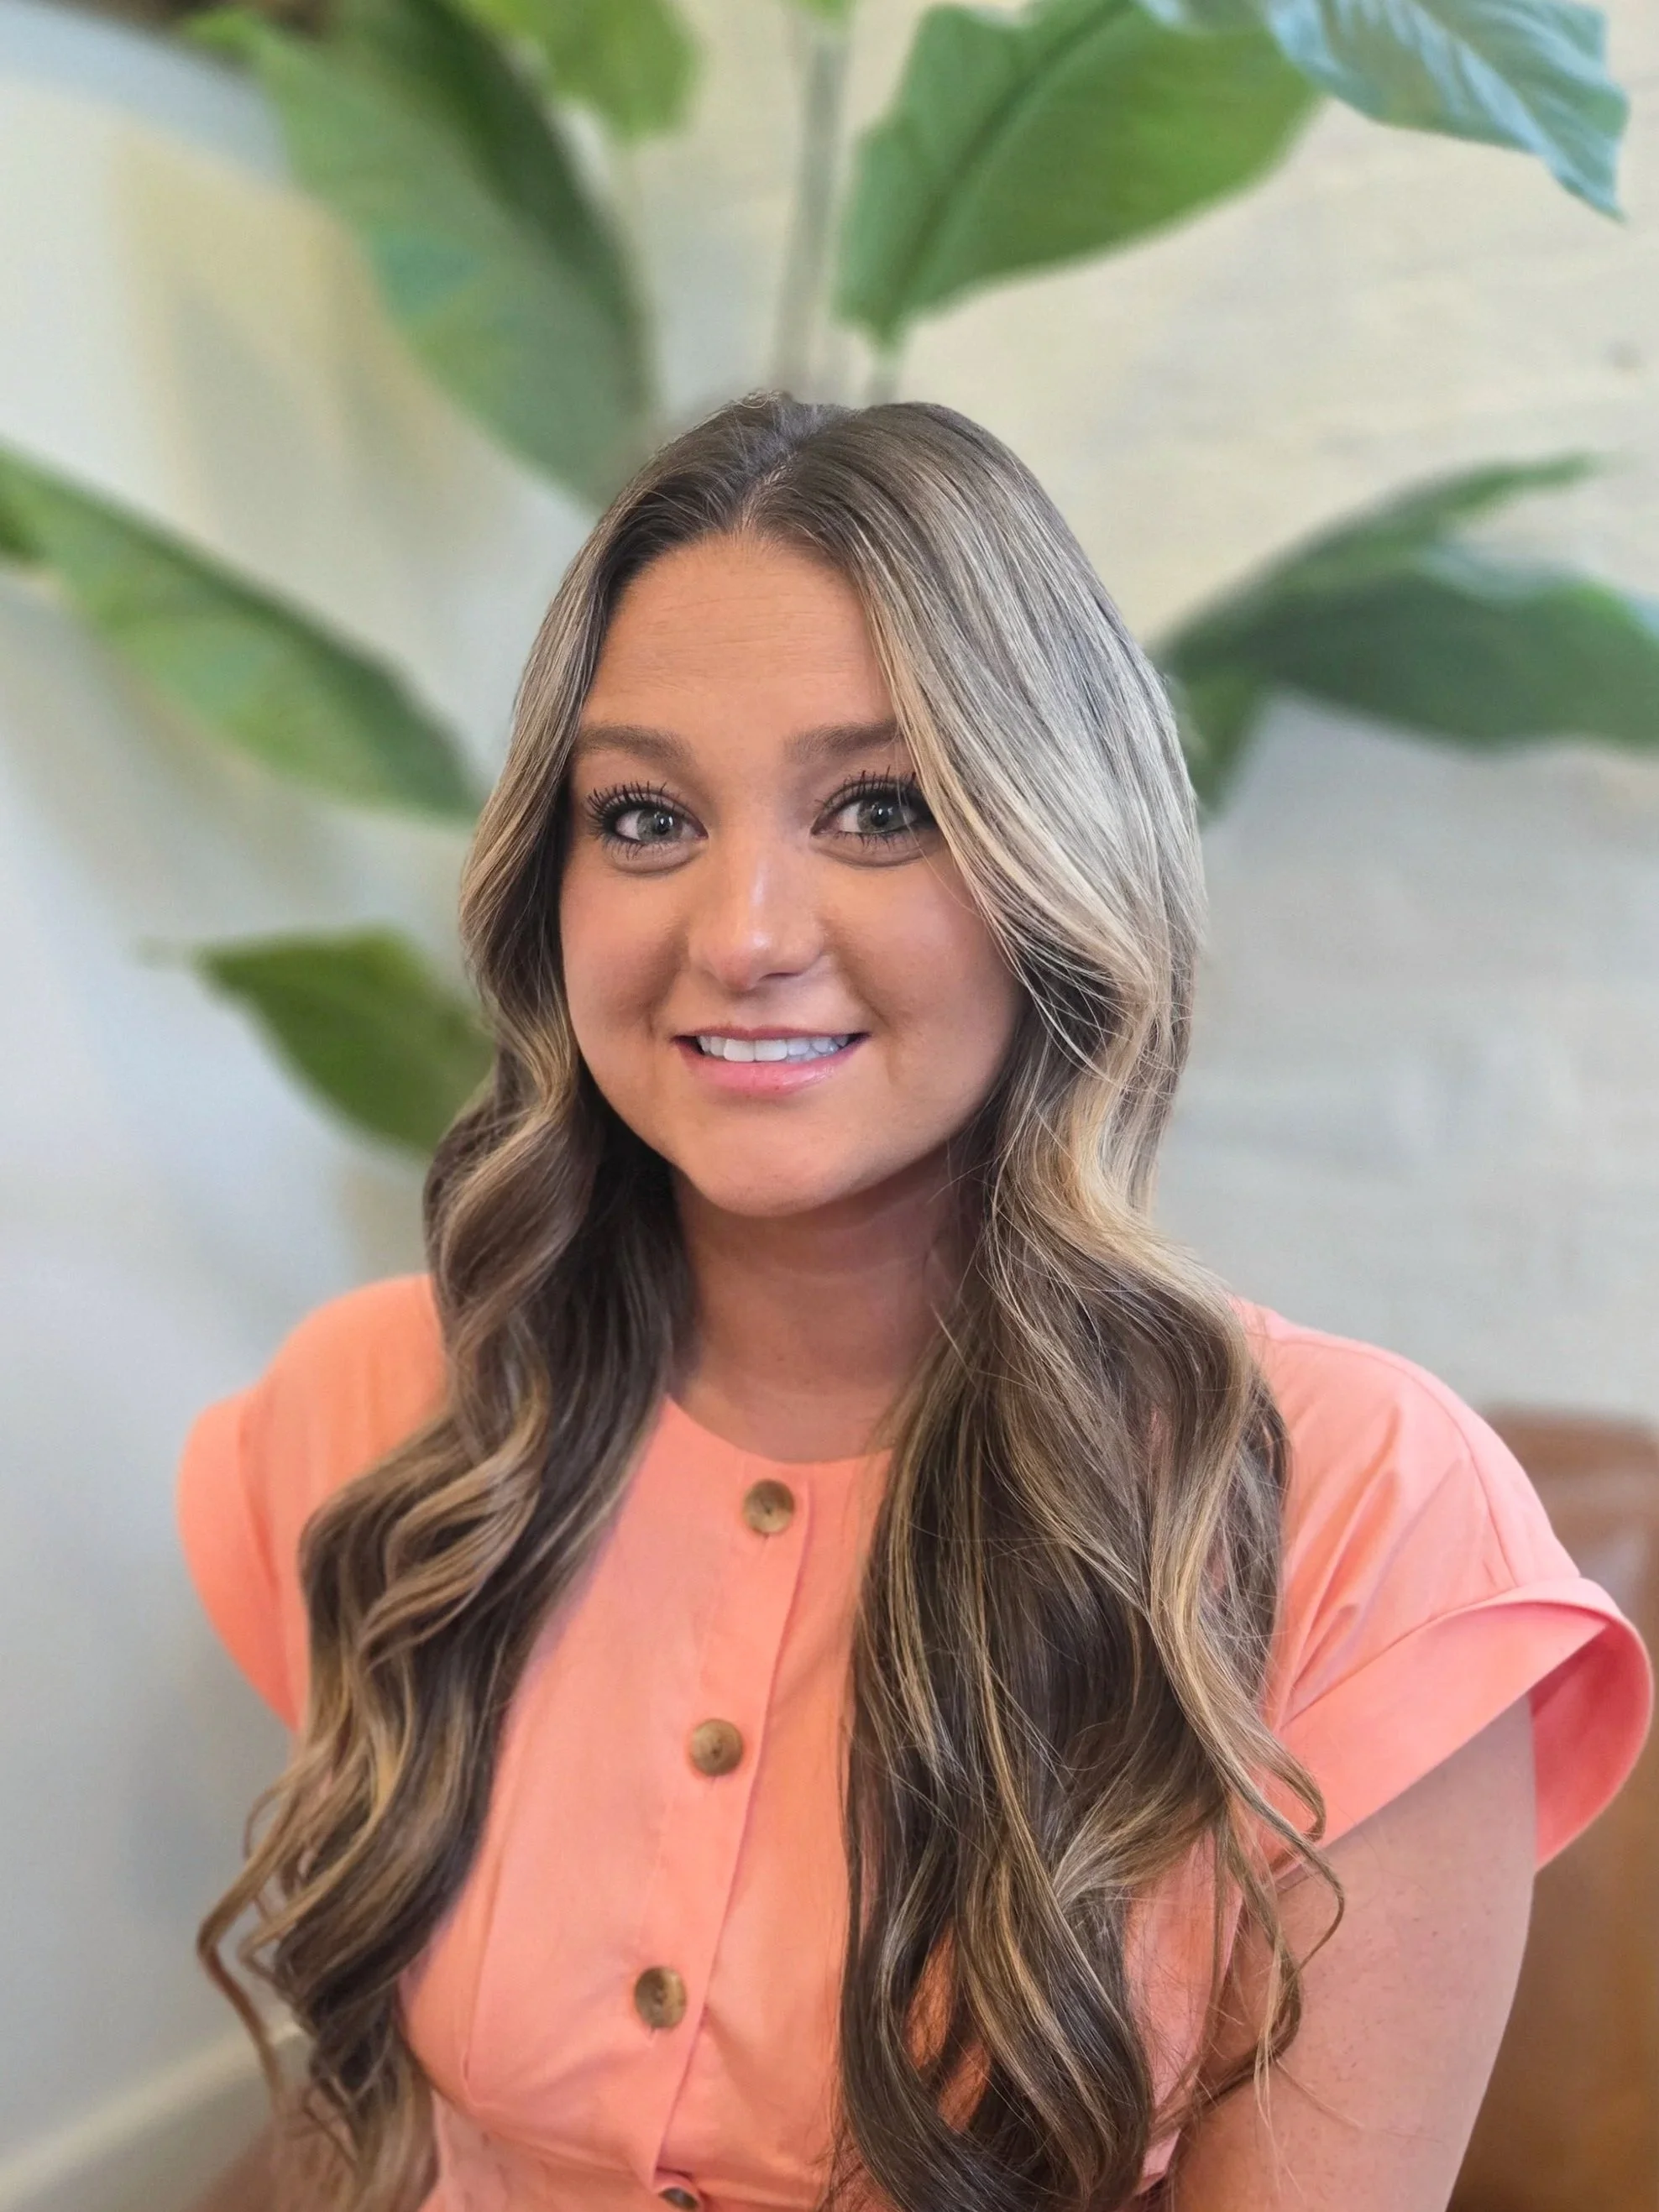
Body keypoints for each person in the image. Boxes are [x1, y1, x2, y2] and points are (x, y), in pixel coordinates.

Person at [176, 394, 1651, 2212]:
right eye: (641, 817)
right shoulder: (384, 1418)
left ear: (1056, 859)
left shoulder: (1360, 1518)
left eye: (878, 809)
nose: (741, 931)